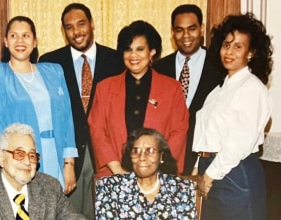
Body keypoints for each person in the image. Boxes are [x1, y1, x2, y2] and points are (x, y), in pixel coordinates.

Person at [39, 3, 124, 218]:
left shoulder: (116, 60)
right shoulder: (50, 62)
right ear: (63, 31)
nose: (76, 32)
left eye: (81, 24)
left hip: (108, 156)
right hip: (68, 156)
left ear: (92, 23)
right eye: (69, 27)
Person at [0, 16, 77, 194]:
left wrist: (69, 163)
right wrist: (4, 164)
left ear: (35, 41)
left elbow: (67, 119)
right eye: (14, 36)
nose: (20, 41)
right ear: (6, 42)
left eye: (26, 35)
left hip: (54, 156)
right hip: (20, 161)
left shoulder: (54, 71)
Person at [193, 13, 273, 220]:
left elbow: (238, 142)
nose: (229, 51)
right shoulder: (218, 90)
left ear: (251, 52)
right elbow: (206, 134)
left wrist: (209, 176)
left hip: (235, 173)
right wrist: (197, 168)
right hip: (212, 171)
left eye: (238, 46)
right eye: (226, 44)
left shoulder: (251, 88)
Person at [88, 20, 189, 178]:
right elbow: (97, 131)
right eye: (128, 50)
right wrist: (117, 169)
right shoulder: (105, 88)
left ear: (152, 52)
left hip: (158, 176)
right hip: (115, 175)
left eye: (140, 49)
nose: (133, 56)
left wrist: (155, 168)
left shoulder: (172, 88)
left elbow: (179, 131)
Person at [0, 123, 87, 219]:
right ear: (1, 158)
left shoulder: (50, 187)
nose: (27, 162)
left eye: (32, 155)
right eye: (19, 154)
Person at [153, 4, 222, 175]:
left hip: (204, 161)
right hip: (165, 159)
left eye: (191, 29)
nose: (186, 36)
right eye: (179, 30)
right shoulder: (158, 68)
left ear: (202, 29)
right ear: (172, 32)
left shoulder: (219, 67)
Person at [95, 127, 197, 219]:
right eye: (136, 151)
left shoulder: (182, 188)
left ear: (161, 156)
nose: (142, 157)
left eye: (150, 151)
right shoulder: (109, 187)